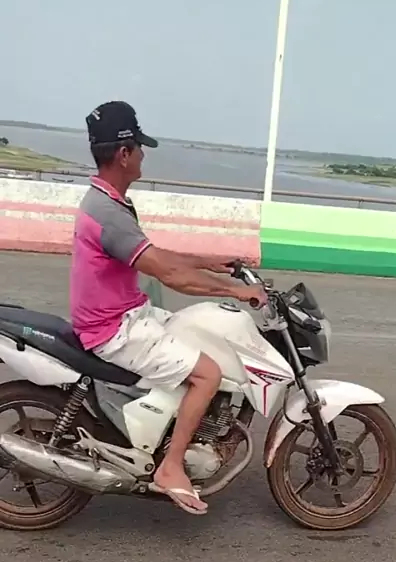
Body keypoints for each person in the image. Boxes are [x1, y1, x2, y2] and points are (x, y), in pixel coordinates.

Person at [70, 100, 267, 515]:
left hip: (129, 314)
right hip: (115, 329)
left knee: (197, 333)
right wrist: (236, 291)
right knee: (208, 373)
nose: (144, 154)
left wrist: (207, 262)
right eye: (139, 147)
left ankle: (164, 433)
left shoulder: (109, 202)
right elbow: (170, 275)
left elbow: (154, 255)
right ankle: (171, 467)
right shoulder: (107, 212)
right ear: (123, 154)